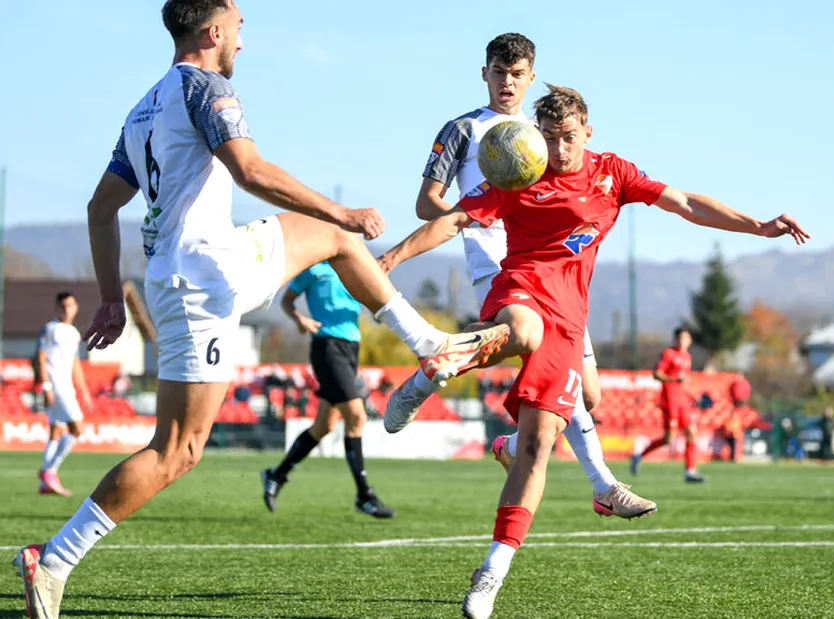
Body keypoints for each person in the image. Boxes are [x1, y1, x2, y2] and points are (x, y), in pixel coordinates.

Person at [11, 2, 508, 617]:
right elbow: (248, 170)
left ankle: (427, 343)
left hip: (196, 268)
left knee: (335, 241)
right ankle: (53, 560)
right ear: (214, 31)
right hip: (205, 281)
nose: (243, 43)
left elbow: (99, 207)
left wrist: (114, 297)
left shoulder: (142, 109)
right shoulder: (209, 88)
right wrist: (341, 209)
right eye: (239, 29)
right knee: (177, 451)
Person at [378, 84, 809, 619]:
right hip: (519, 288)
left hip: (570, 318)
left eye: (568, 138)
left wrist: (757, 225)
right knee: (519, 328)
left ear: (588, 132)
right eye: (550, 138)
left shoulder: (613, 173)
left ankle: (492, 570)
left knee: (538, 447)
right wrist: (393, 256)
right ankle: (426, 378)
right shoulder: (519, 173)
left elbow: (687, 203)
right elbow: (454, 219)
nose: (558, 151)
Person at [399, 32, 654, 520]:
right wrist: (475, 216)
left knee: (589, 393)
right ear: (485, 74)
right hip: (497, 267)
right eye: (499, 72)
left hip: (556, 274)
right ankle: (603, 483)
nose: (507, 83)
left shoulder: (547, 133)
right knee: (552, 367)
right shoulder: (462, 130)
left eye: (517, 74)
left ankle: (511, 445)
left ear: (531, 78)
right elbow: (424, 204)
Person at [261, 261, 394, 518]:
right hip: (327, 347)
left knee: (324, 425)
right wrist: (300, 319)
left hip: (351, 348)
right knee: (356, 416)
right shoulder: (314, 268)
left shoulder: (353, 263)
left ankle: (276, 475)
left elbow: (370, 296)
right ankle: (364, 495)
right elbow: (287, 300)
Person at [35, 292, 95, 497]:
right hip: (56, 386)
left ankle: (46, 483)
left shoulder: (74, 333)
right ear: (57, 308)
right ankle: (49, 471)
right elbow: (41, 357)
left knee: (56, 431)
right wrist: (46, 386)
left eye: (70, 306)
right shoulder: (51, 329)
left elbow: (75, 363)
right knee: (77, 428)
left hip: (67, 386)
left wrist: (84, 391)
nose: (67, 310)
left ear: (76, 307)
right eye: (63, 306)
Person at [630, 328, 705, 482]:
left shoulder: (687, 357)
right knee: (668, 439)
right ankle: (639, 455)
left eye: (686, 338)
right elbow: (656, 373)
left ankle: (690, 472)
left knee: (692, 433)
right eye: (680, 338)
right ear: (675, 339)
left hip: (683, 401)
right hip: (670, 400)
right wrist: (673, 380)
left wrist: (692, 395)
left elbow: (683, 381)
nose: (683, 341)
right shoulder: (668, 354)